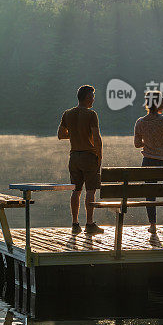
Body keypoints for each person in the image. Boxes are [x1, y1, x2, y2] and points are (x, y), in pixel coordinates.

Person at [133, 90, 163, 234]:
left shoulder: (140, 122)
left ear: (147, 104)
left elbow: (137, 144)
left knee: (150, 194)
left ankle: (153, 225)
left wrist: (149, 142)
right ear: (160, 103)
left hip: (148, 162)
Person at [57, 85, 104, 235]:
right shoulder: (91, 115)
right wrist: (99, 156)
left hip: (74, 157)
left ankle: (75, 223)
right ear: (87, 98)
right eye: (92, 97)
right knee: (90, 191)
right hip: (88, 156)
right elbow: (97, 138)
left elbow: (61, 135)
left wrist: (76, 135)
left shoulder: (67, 114)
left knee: (76, 191)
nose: (93, 100)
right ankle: (89, 224)